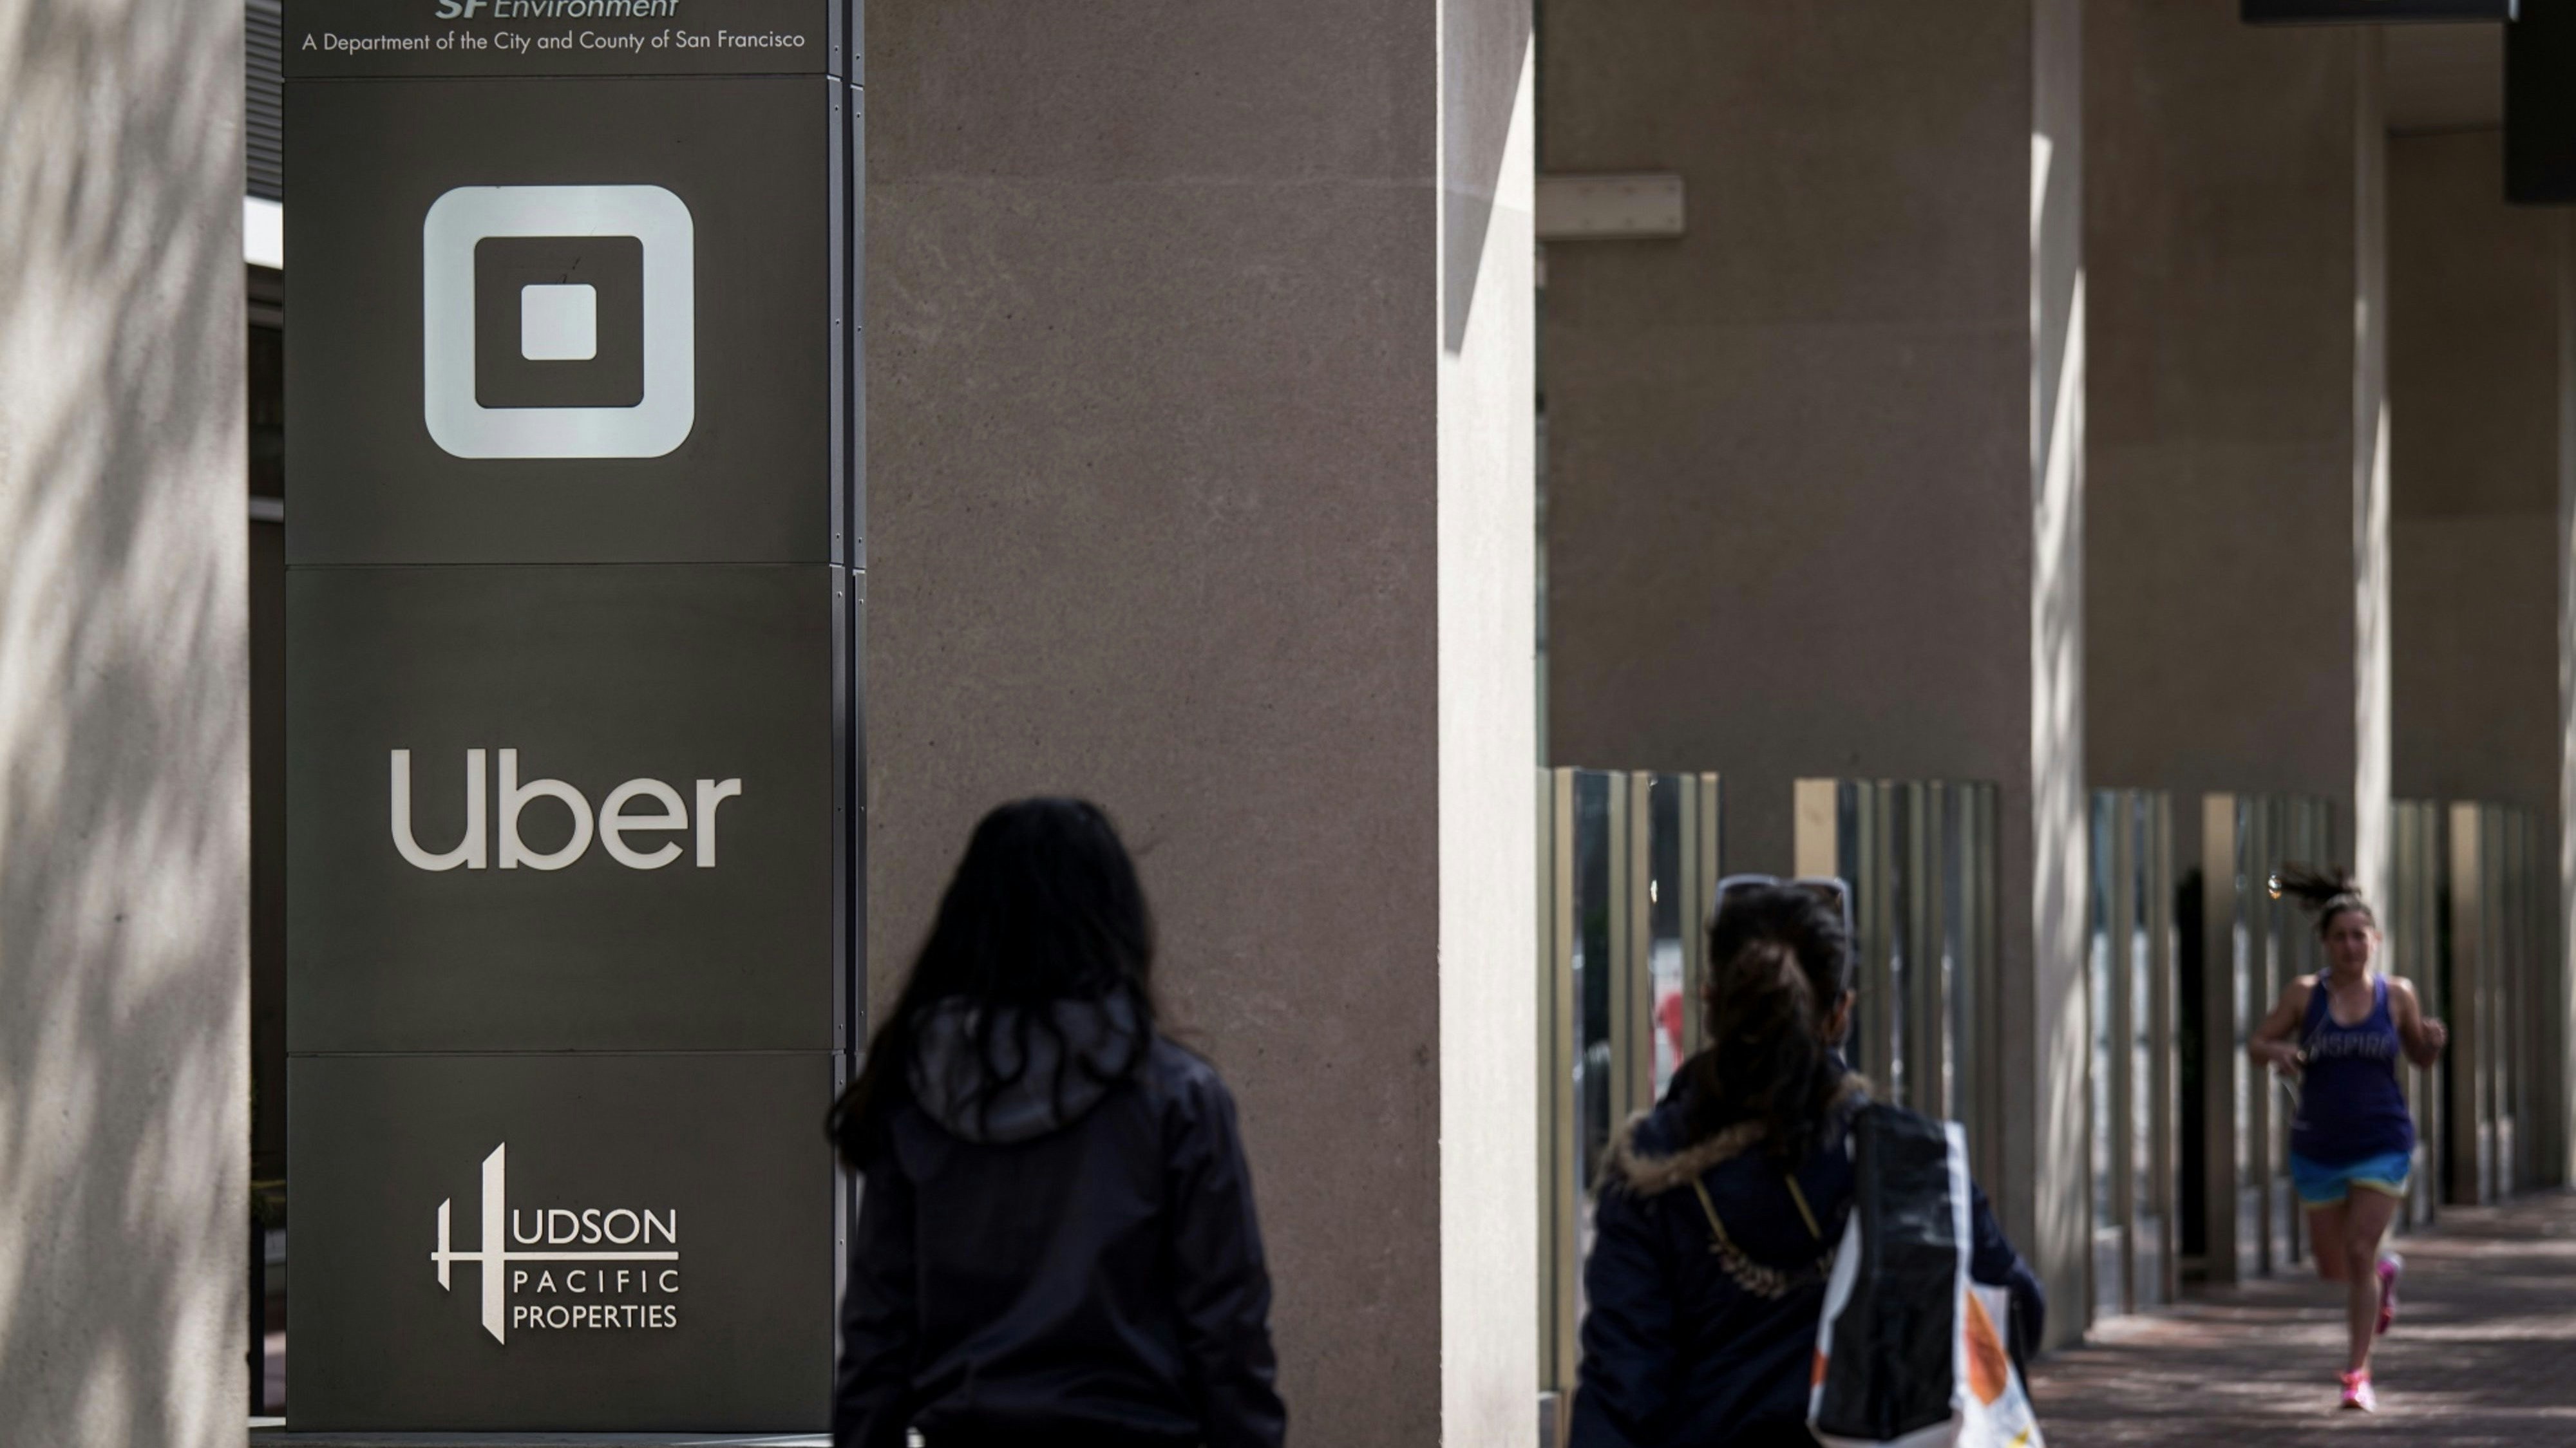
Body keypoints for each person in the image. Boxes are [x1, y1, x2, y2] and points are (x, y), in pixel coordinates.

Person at [828, 798, 1287, 1448]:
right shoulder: (1177, 1096)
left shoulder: (916, 1094)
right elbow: (1227, 1328)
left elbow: (879, 1333)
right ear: (1116, 919)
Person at [1570, 879, 2043, 1448]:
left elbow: (1621, 1389)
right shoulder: (1909, 1159)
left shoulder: (1652, 1165)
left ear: (1710, 1001)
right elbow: (2017, 1307)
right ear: (1841, 1013)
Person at [2248, 866, 2446, 1413]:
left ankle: (2357, 1373)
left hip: (2383, 1138)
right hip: (2318, 1143)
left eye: (2361, 934)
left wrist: (2433, 1042)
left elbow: (2421, 1058)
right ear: (2325, 942)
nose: (2351, 944)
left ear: (2375, 940)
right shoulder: (2304, 995)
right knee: (2334, 1266)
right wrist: (2280, 1052)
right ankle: (2385, 1274)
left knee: (2358, 1250)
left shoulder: (2397, 995)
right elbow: (2258, 1041)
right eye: (2340, 935)